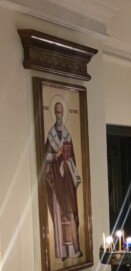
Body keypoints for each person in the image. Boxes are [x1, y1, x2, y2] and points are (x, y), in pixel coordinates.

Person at [43, 102, 82, 259]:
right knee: (59, 215)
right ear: (54, 113)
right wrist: (56, 154)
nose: (59, 115)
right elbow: (45, 157)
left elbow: (73, 157)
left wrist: (67, 160)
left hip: (67, 182)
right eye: (57, 112)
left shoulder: (67, 135)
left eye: (61, 112)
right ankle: (62, 252)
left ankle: (75, 249)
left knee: (71, 212)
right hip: (56, 181)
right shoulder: (51, 135)